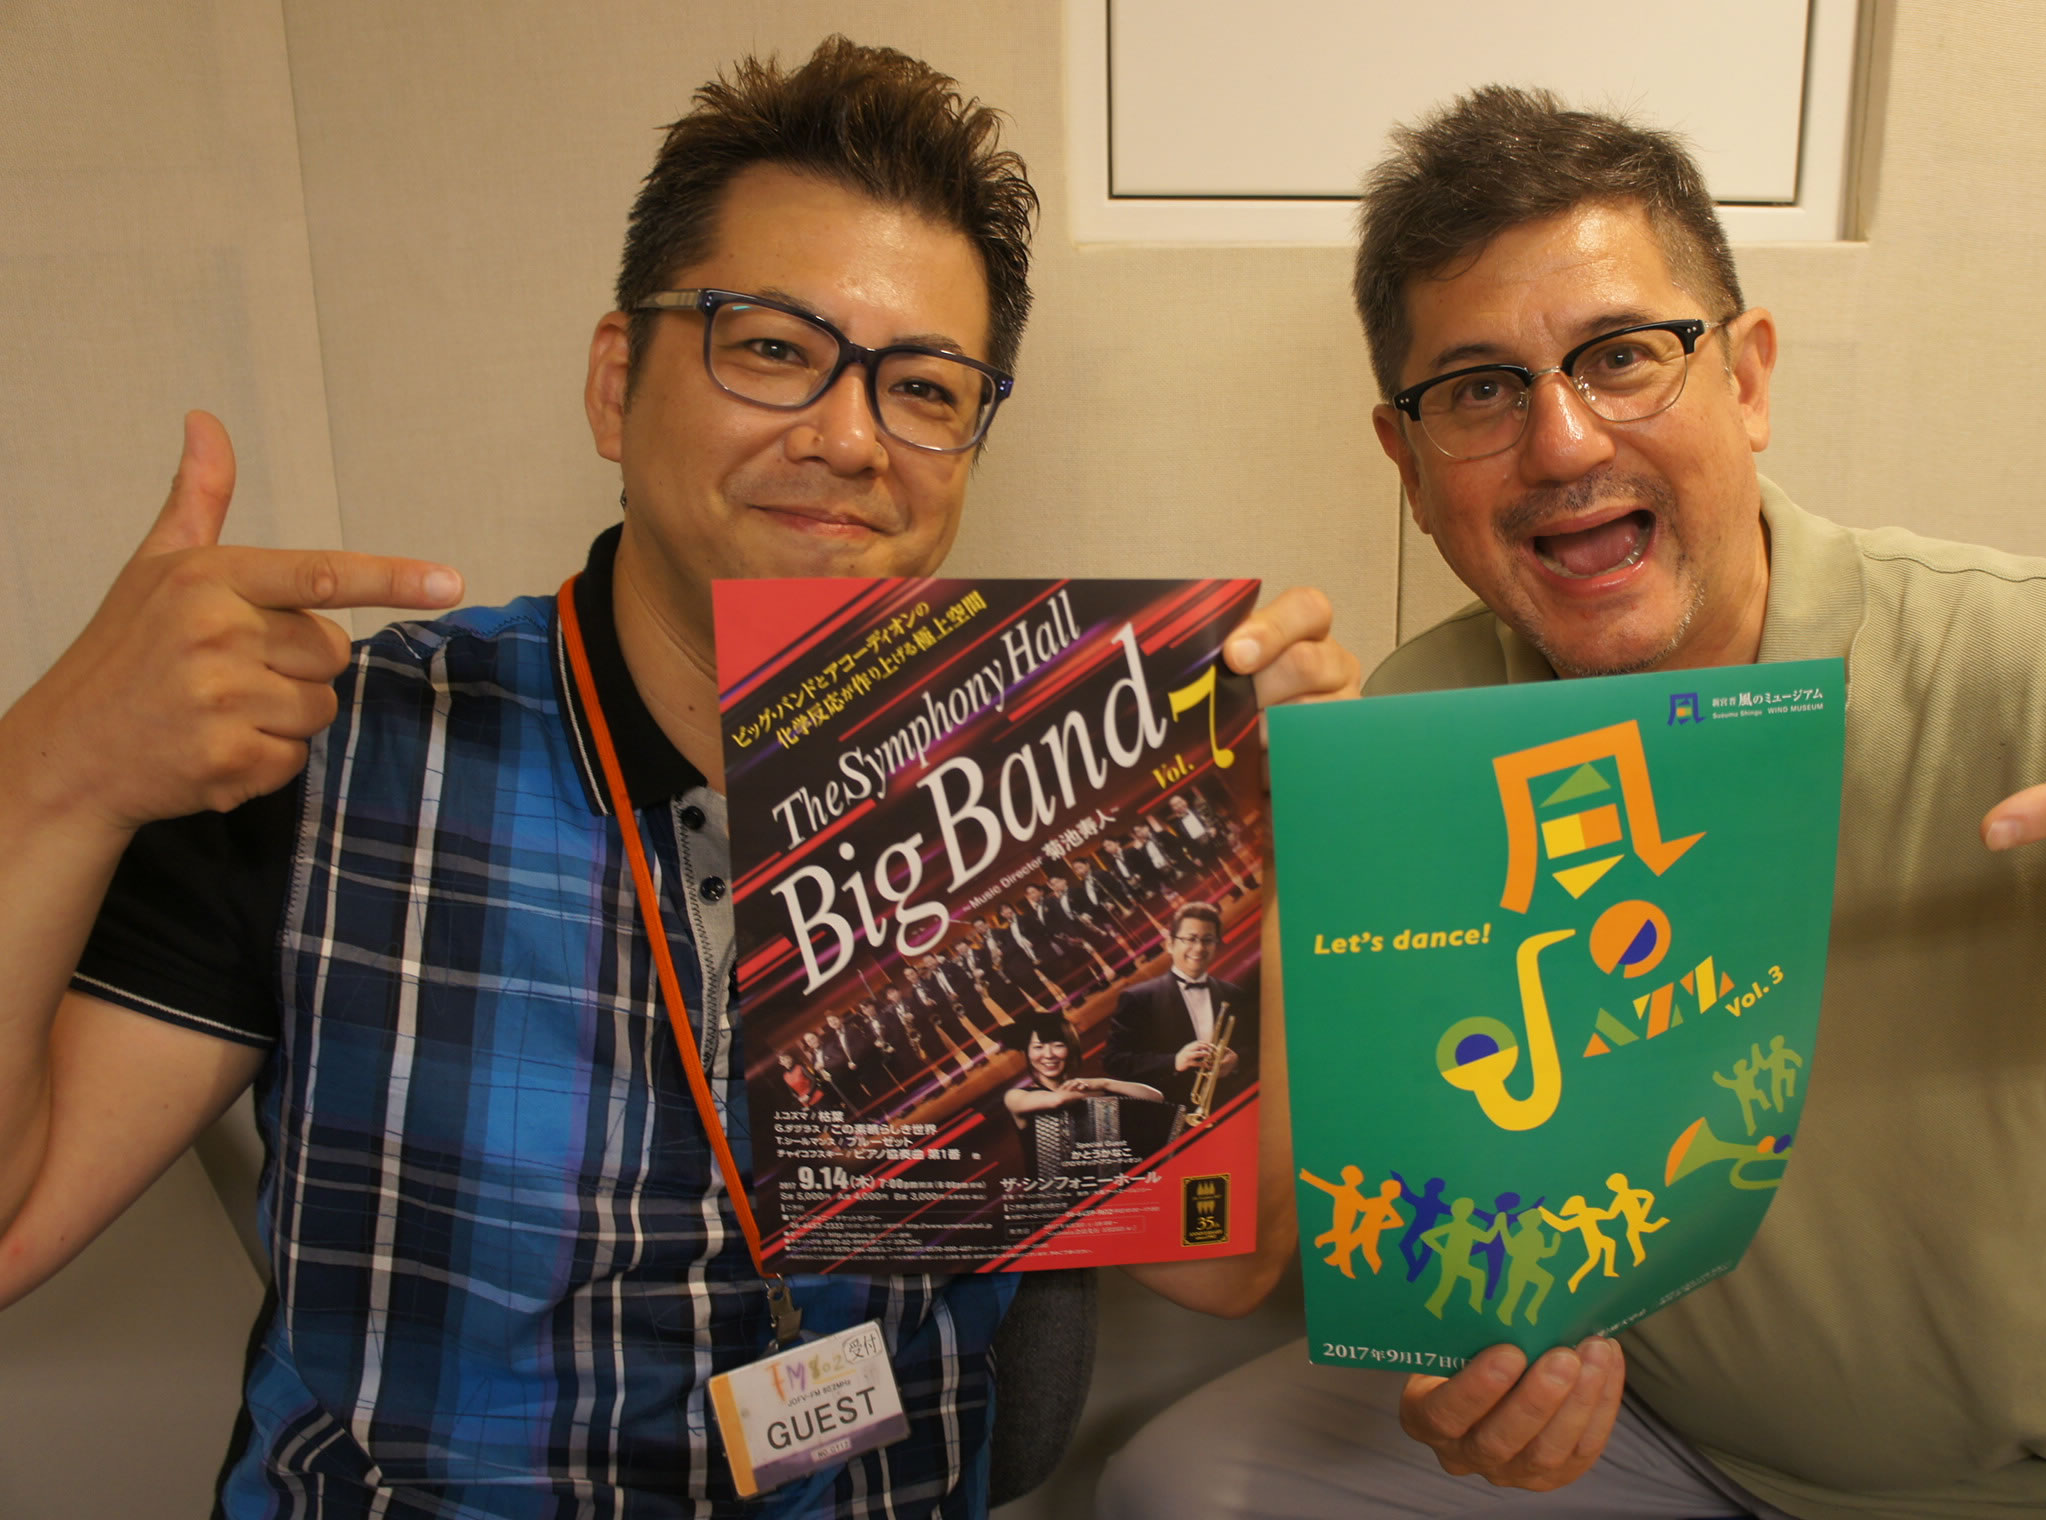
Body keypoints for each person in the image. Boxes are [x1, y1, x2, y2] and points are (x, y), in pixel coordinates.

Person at [0, 38, 1348, 1518]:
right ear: (615, 383)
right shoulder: (335, 748)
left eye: (922, 385)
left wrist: (1258, 856)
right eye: (770, 347)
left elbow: (1225, 1268)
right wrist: (56, 773)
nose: (848, 437)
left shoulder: (1034, 781)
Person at [1100, 85, 2046, 1519]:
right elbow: (1292, 1239)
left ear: (1748, 378)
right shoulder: (1412, 734)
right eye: (1478, 390)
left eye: (1621, 357)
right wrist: (1471, 1372)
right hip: (1652, 1433)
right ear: (1406, 464)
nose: (1560, 442)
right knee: (1181, 1485)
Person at [1102, 902, 1255, 1107]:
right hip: (1175, 1111)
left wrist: (1237, 1061)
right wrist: (1173, 1061)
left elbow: (1259, 1046)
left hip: (1234, 1105)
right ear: (1170, 944)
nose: (1199, 948)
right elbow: (1114, 1061)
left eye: (1207, 940)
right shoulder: (1137, 998)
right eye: (1190, 939)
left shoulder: (1233, 994)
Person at [996, 1012, 1163, 1182]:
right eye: (1038, 1047)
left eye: (1058, 1045)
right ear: (1027, 1052)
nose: (1049, 1054)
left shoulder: (1091, 1089)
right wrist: (1090, 1092)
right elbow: (1056, 1100)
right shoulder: (1016, 1096)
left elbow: (1156, 1098)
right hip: (1051, 1193)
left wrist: (1105, 1083)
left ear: (1070, 1048)